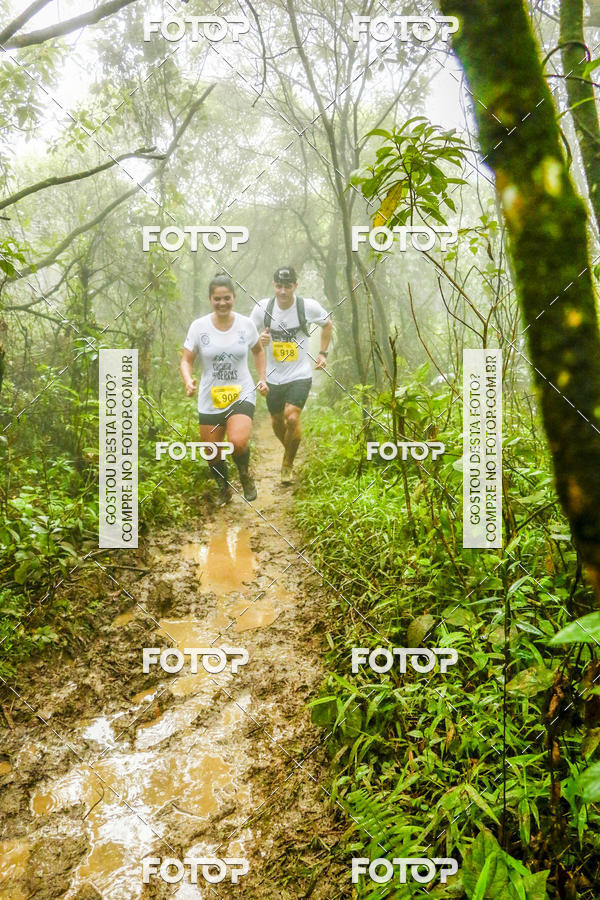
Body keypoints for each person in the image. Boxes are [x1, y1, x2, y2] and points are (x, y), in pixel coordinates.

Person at [180, 273, 269, 505]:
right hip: (210, 395)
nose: (222, 303)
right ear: (210, 299)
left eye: (226, 298)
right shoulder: (199, 327)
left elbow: (258, 351)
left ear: (234, 298)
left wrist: (262, 378)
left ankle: (245, 475)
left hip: (242, 391)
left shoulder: (246, 325)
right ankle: (224, 488)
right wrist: (188, 379)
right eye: (217, 299)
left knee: (238, 442)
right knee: (211, 452)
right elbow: (186, 359)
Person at [250, 265, 332, 484]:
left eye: (288, 286)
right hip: (273, 376)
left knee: (292, 417)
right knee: (277, 421)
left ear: (295, 286)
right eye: (279, 286)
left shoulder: (307, 307)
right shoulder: (262, 308)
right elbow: (247, 337)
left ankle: (287, 465)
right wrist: (260, 339)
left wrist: (323, 353)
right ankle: (291, 449)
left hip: (300, 373)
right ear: (274, 286)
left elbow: (327, 324)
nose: (283, 291)